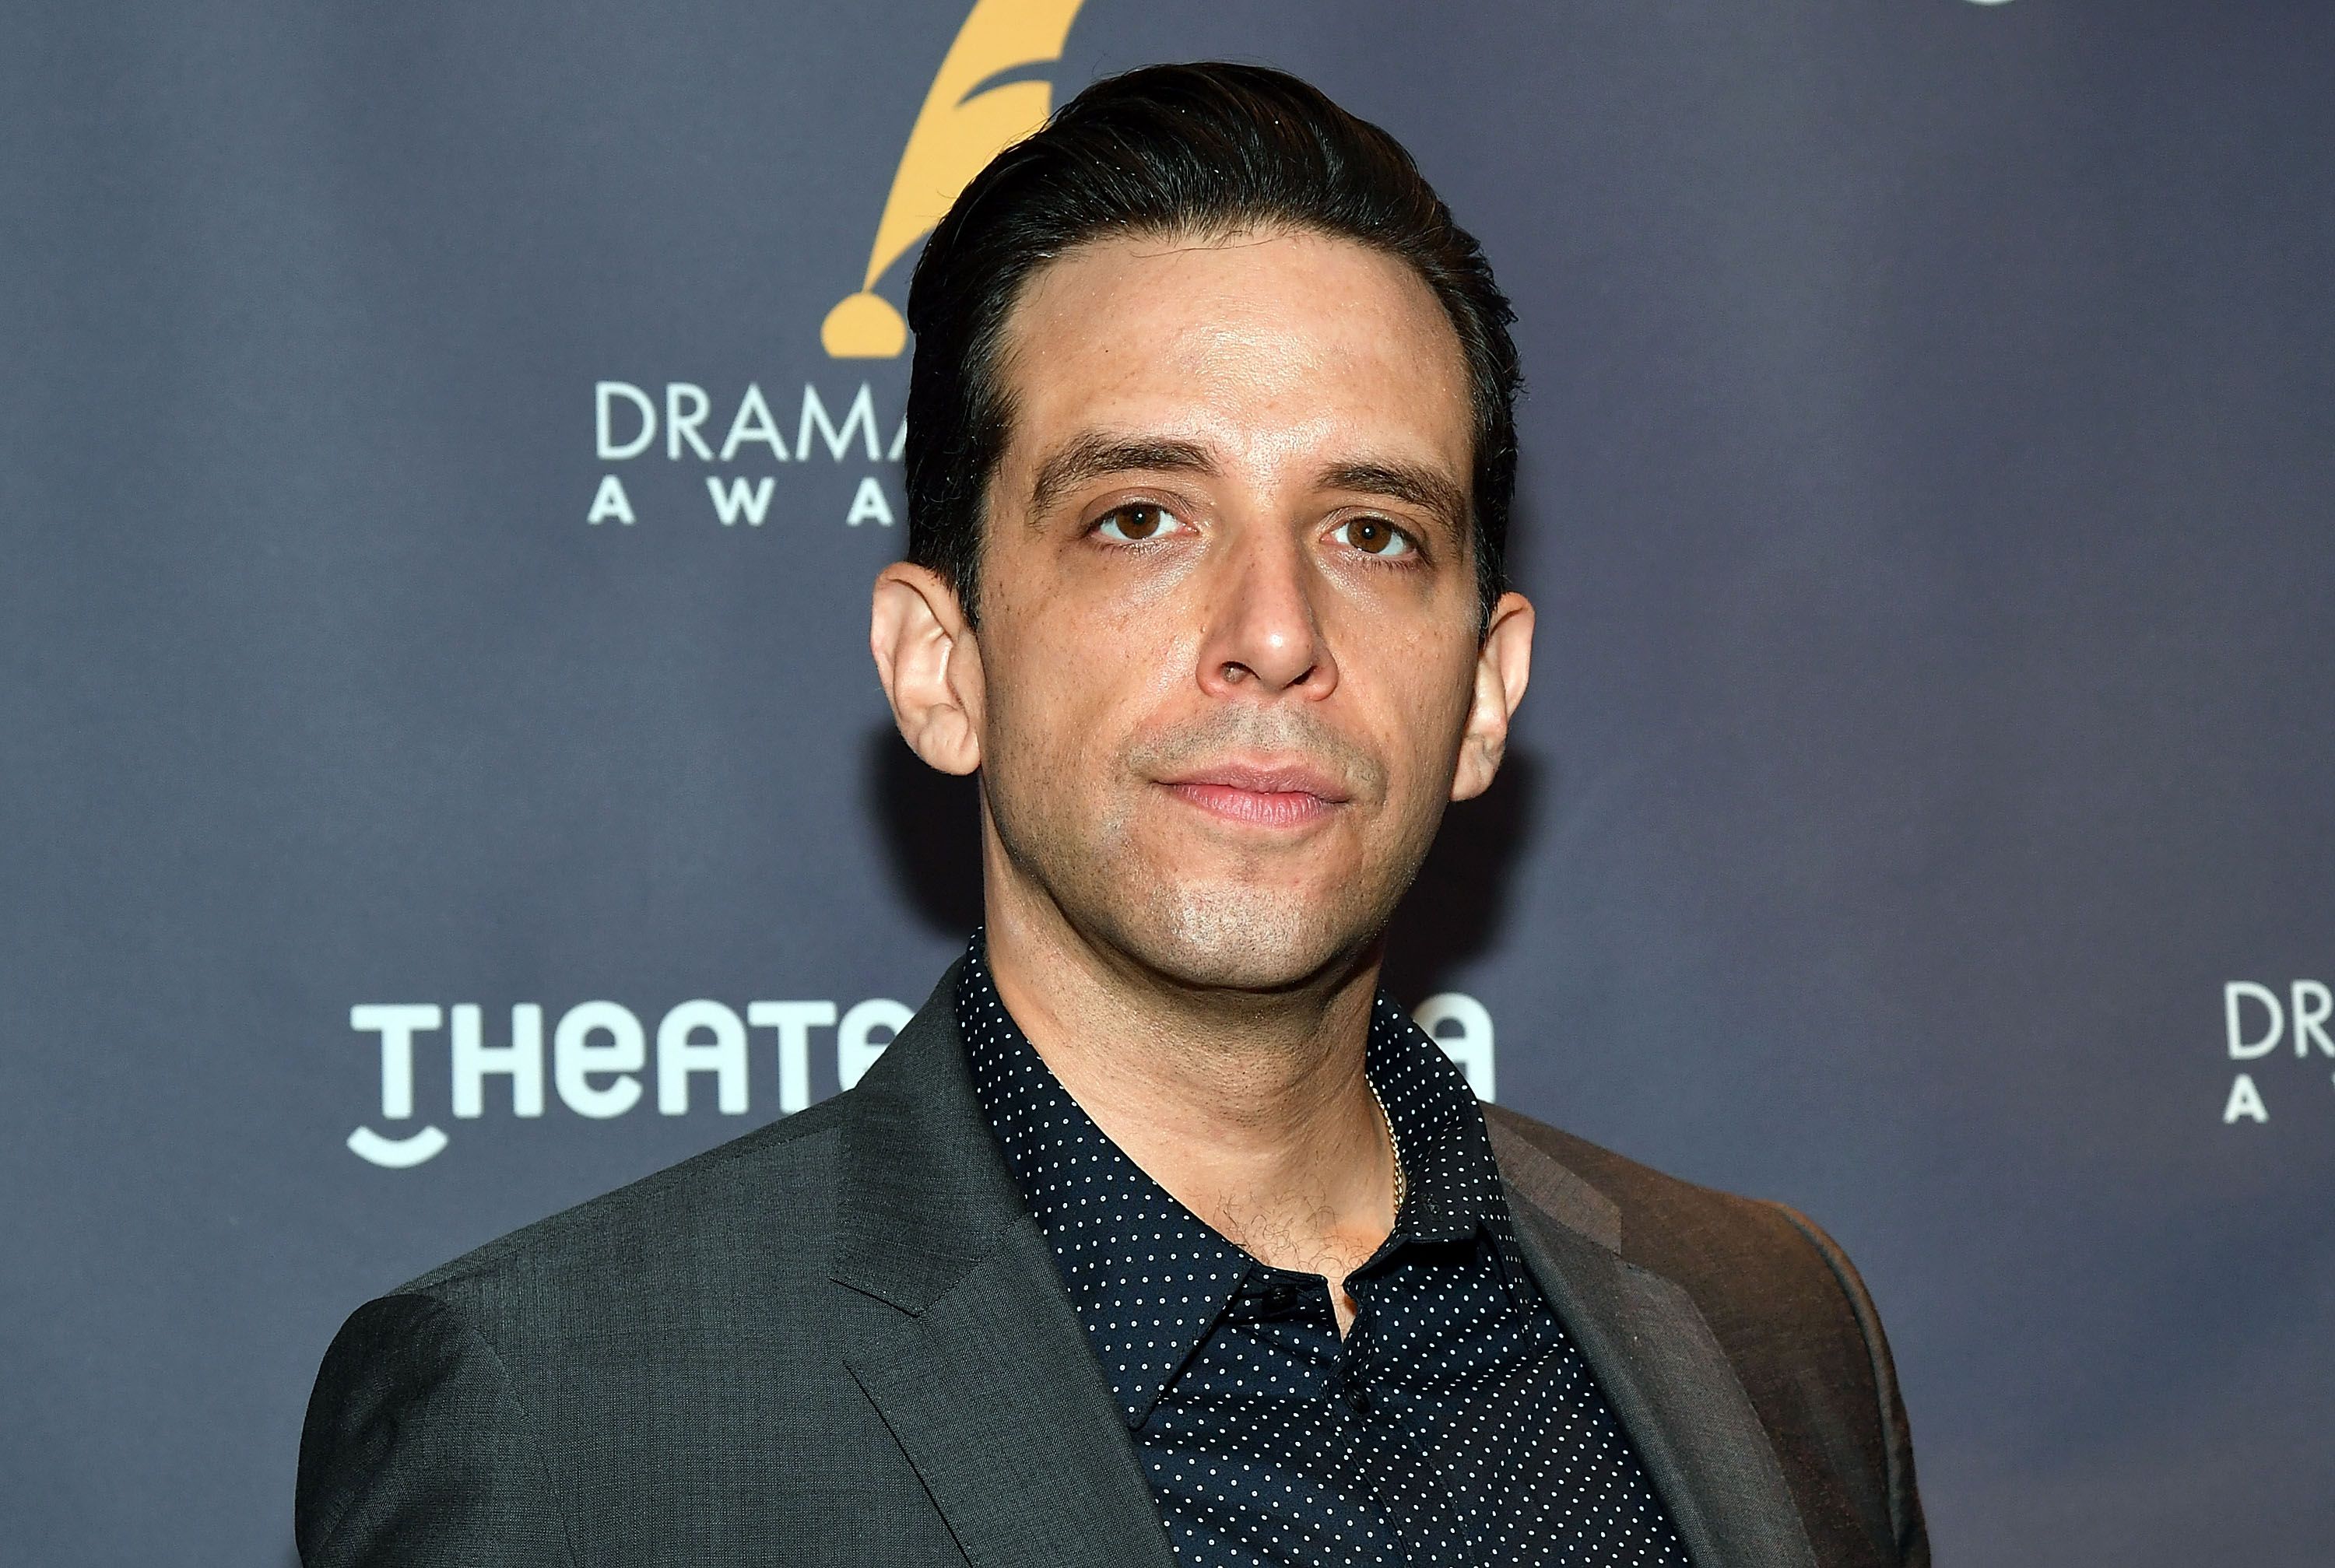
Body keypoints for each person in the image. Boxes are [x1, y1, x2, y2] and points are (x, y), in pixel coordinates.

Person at [297, 61, 1926, 1568]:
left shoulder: (1771, 1324)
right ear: (942, 667)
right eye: (1140, 518)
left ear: (1486, 693)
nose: (1277, 632)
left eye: (1372, 532)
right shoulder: (571, 1422)